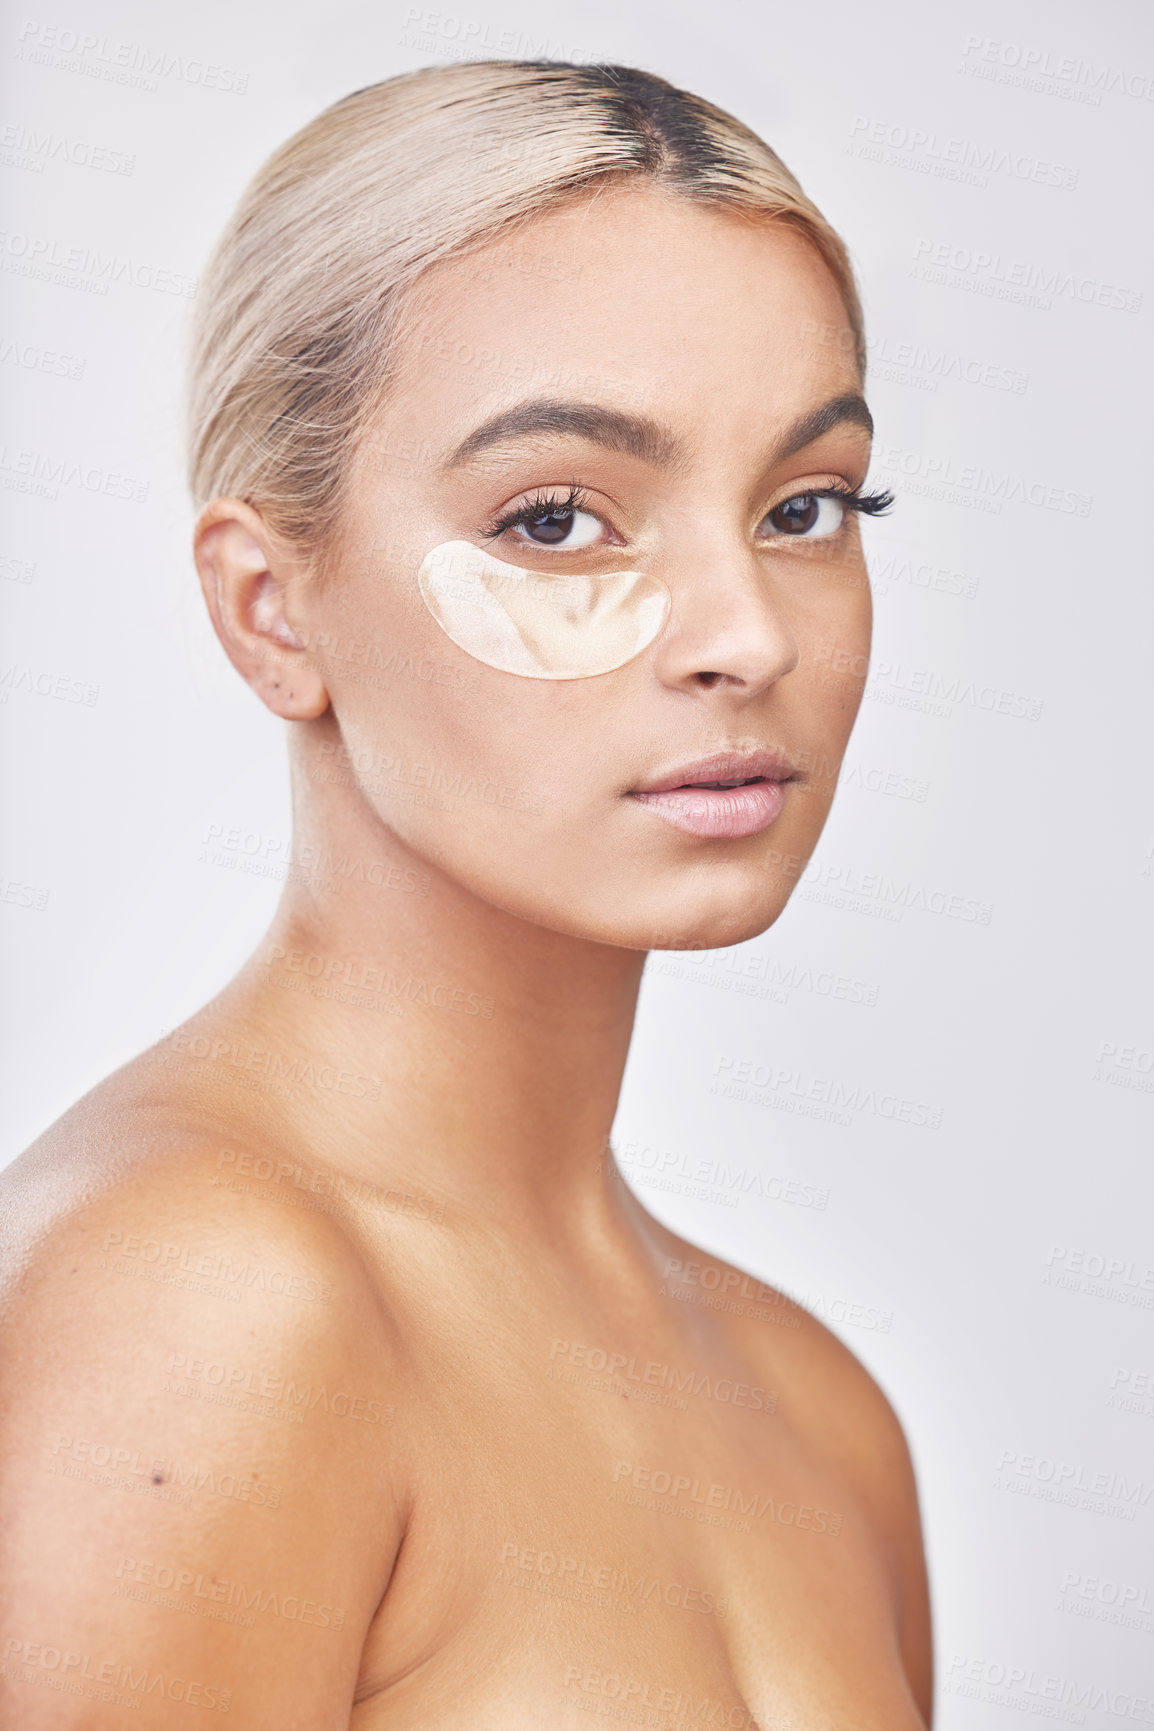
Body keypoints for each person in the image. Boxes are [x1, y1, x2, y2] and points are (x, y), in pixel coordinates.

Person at [0, 61, 932, 1729]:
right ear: (273, 610)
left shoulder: (820, 1413)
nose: (747, 633)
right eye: (560, 518)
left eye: (805, 507)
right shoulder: (193, 1312)